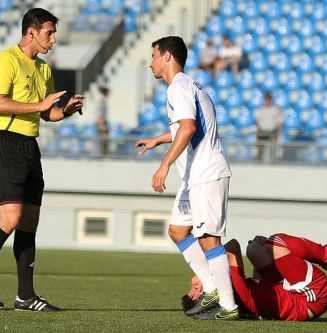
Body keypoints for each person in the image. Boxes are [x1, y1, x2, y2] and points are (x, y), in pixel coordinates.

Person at [0, 8, 84, 312]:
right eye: (49, 32)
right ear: (31, 32)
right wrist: (39, 103)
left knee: (29, 220)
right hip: (4, 142)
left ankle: (26, 296)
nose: (53, 39)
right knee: (10, 218)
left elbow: (47, 113)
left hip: (29, 146)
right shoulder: (6, 59)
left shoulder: (44, 69)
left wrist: (65, 110)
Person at [135, 36, 238, 320]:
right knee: (178, 231)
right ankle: (210, 288)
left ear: (167, 56)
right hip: (195, 176)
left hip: (206, 173)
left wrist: (164, 165)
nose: (150, 62)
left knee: (208, 238)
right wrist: (158, 140)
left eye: (154, 55)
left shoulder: (178, 87)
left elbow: (190, 127)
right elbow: (186, 126)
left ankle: (228, 306)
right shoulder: (187, 85)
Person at [183, 229, 327, 321]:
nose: (195, 283)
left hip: (291, 293)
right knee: (276, 241)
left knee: (255, 249)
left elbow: (261, 286)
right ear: (204, 300)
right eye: (195, 289)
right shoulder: (231, 293)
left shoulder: (230, 296)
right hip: (312, 297)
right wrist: (206, 272)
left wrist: (260, 253)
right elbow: (232, 247)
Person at [255, 92, 283, 161]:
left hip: (272, 132)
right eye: (266, 99)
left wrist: (277, 134)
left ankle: (273, 162)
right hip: (262, 132)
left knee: (272, 149)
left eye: (269, 99)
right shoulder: (260, 110)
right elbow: (257, 123)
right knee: (260, 148)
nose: (267, 101)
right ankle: (259, 161)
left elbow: (279, 123)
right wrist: (257, 133)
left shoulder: (275, 110)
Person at [97, 86, 110, 156]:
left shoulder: (104, 99)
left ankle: (103, 154)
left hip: (103, 122)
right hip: (102, 123)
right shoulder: (102, 100)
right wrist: (101, 125)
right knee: (102, 141)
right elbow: (100, 114)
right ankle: (101, 155)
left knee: (104, 141)